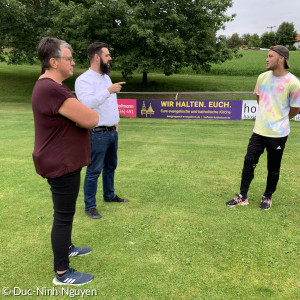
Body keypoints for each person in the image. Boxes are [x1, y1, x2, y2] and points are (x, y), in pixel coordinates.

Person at [32, 37, 99, 285]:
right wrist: (84, 115)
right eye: (69, 59)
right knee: (63, 215)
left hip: (62, 160)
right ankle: (62, 273)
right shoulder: (51, 88)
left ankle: (67, 247)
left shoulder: (50, 87)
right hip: (60, 163)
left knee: (66, 213)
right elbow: (91, 119)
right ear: (53, 61)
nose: (73, 63)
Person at [226, 45, 300, 210]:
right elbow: (260, 100)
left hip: (278, 134)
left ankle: (267, 197)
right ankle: (242, 196)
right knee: (248, 162)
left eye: (270, 56)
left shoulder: (294, 83)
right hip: (258, 131)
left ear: (281, 59)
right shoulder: (262, 78)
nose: (267, 59)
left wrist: (280, 119)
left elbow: (296, 109)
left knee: (273, 168)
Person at [75, 42, 129, 219]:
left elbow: (110, 104)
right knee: (94, 171)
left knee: (110, 166)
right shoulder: (83, 80)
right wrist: (108, 90)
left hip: (112, 130)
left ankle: (109, 195)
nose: (110, 58)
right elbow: (86, 104)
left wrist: (116, 122)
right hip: (97, 133)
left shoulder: (106, 78)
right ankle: (90, 206)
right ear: (97, 57)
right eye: (107, 55)